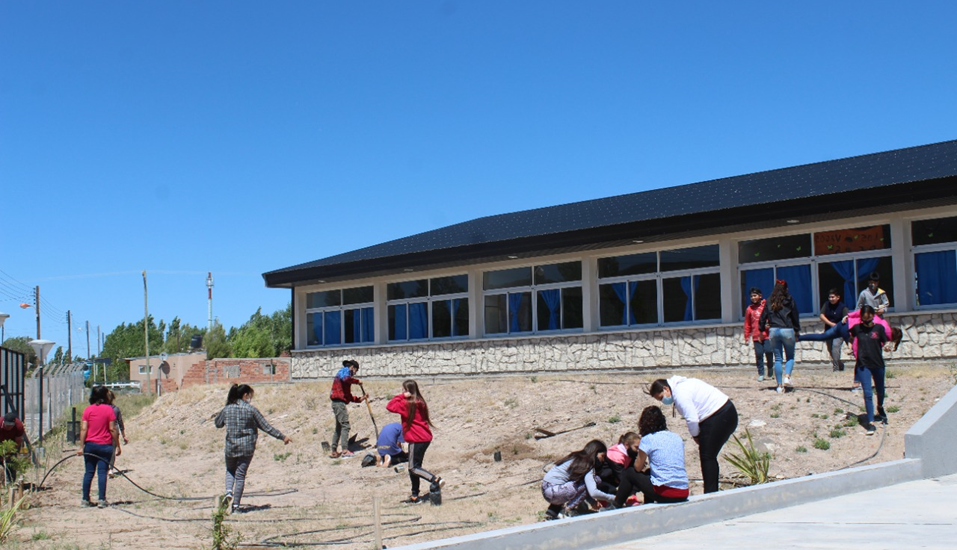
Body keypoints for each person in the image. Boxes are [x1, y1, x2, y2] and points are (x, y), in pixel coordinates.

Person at [649, 376, 737, 494]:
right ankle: (712, 491)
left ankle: (711, 494)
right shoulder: (683, 385)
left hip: (719, 415)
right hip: (724, 412)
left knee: (707, 456)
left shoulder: (680, 394)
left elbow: (692, 419)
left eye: (661, 397)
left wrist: (696, 436)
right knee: (709, 455)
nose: (663, 401)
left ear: (666, 388)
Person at [214, 384, 291, 514]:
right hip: (247, 447)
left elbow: (218, 424)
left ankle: (228, 491)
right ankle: (236, 506)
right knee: (240, 476)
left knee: (230, 471)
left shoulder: (227, 409)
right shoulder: (251, 410)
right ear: (245, 395)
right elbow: (266, 426)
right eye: (249, 396)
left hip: (231, 447)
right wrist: (282, 437)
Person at [614, 406, 689, 507]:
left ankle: (616, 505)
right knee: (650, 473)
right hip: (683, 491)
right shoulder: (677, 437)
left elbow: (638, 467)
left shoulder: (648, 439)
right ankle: (648, 504)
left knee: (629, 472)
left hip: (665, 492)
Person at [386, 380, 444, 505]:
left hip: (416, 439)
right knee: (415, 467)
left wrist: (401, 396)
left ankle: (435, 479)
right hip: (424, 438)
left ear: (409, 391)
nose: (402, 392)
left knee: (413, 468)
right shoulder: (420, 401)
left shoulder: (408, 404)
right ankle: (414, 496)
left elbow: (390, 406)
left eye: (404, 390)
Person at [541, 439, 615, 520]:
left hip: (547, 489)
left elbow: (582, 489)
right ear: (595, 453)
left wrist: (592, 502)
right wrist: (614, 498)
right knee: (596, 479)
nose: (603, 460)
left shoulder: (577, 458)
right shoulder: (587, 465)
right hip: (554, 491)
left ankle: (553, 511)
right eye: (602, 456)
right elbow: (592, 492)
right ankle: (568, 510)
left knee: (582, 483)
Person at [77, 386, 120, 507]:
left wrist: (81, 447)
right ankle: (102, 499)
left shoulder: (88, 410)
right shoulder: (109, 410)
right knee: (102, 473)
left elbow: (84, 428)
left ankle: (85, 499)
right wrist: (117, 444)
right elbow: (112, 428)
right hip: (105, 446)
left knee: (89, 473)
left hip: (90, 446)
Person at [849, 305, 889, 435]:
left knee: (880, 389)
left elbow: (885, 341)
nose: (866, 320)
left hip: (877, 363)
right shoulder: (857, 329)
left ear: (873, 316)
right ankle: (870, 422)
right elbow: (850, 336)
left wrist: (888, 346)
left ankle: (880, 408)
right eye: (864, 318)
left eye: (868, 317)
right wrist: (850, 347)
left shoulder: (879, 328)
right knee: (867, 393)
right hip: (863, 364)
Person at [759, 279, 801, 393]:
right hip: (787, 329)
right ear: (786, 289)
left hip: (773, 330)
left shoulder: (769, 301)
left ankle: (779, 386)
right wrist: (797, 330)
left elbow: (762, 317)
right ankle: (787, 376)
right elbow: (795, 315)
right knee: (790, 357)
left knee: (778, 359)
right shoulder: (789, 299)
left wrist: (761, 330)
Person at [799, 288, 850, 372]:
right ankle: (840, 364)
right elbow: (821, 315)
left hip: (839, 332)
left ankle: (836, 369)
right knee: (830, 350)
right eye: (830, 297)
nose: (831, 299)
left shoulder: (843, 307)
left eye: (833, 297)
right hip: (829, 330)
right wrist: (831, 324)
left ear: (838, 297)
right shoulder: (826, 305)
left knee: (835, 347)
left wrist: (838, 326)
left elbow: (846, 319)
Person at [329, 359, 366, 459]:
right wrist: (357, 382)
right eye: (356, 371)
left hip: (337, 403)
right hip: (339, 404)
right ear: (352, 367)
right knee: (345, 425)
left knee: (339, 427)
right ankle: (345, 450)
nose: (355, 373)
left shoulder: (345, 380)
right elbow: (346, 379)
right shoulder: (345, 371)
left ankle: (334, 451)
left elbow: (348, 396)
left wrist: (360, 399)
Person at [743, 287, 773, 382]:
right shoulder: (749, 309)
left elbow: (772, 317)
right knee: (759, 354)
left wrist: (770, 324)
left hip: (767, 334)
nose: (753, 298)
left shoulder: (765, 306)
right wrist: (747, 336)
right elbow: (747, 324)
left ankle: (770, 370)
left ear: (760, 296)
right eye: (751, 296)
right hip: (756, 336)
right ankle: (761, 373)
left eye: (755, 295)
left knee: (768, 351)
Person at [106, 390, 129, 475]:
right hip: (114, 431)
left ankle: (106, 468)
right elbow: (120, 423)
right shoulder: (116, 409)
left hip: (103, 431)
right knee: (112, 451)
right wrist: (124, 436)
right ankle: (111, 468)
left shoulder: (101, 409)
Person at [1, 412, 26, 483]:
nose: (9, 427)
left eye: (11, 425)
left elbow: (18, 441)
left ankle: (10, 482)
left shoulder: (19, 426)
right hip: (1, 444)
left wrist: (10, 451)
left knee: (11, 462)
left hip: (12, 444)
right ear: (4, 422)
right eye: (7, 425)